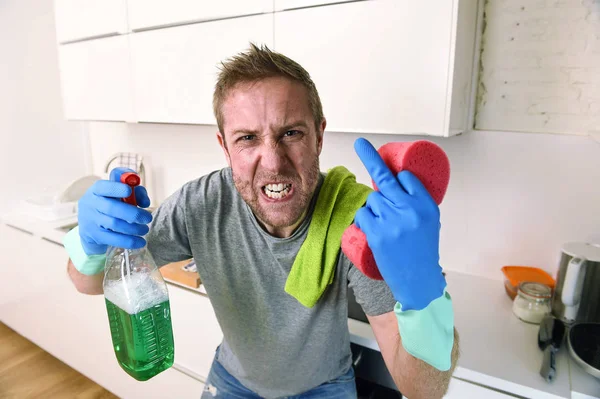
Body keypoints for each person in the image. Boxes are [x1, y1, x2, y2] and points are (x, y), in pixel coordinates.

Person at [64, 44, 459, 399]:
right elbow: (88, 282)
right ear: (224, 146)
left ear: (319, 137)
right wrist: (89, 243)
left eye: (290, 133)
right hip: (234, 381)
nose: (272, 162)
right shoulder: (200, 204)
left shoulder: (354, 221)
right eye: (248, 138)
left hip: (326, 386)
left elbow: (422, 390)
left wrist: (423, 289)